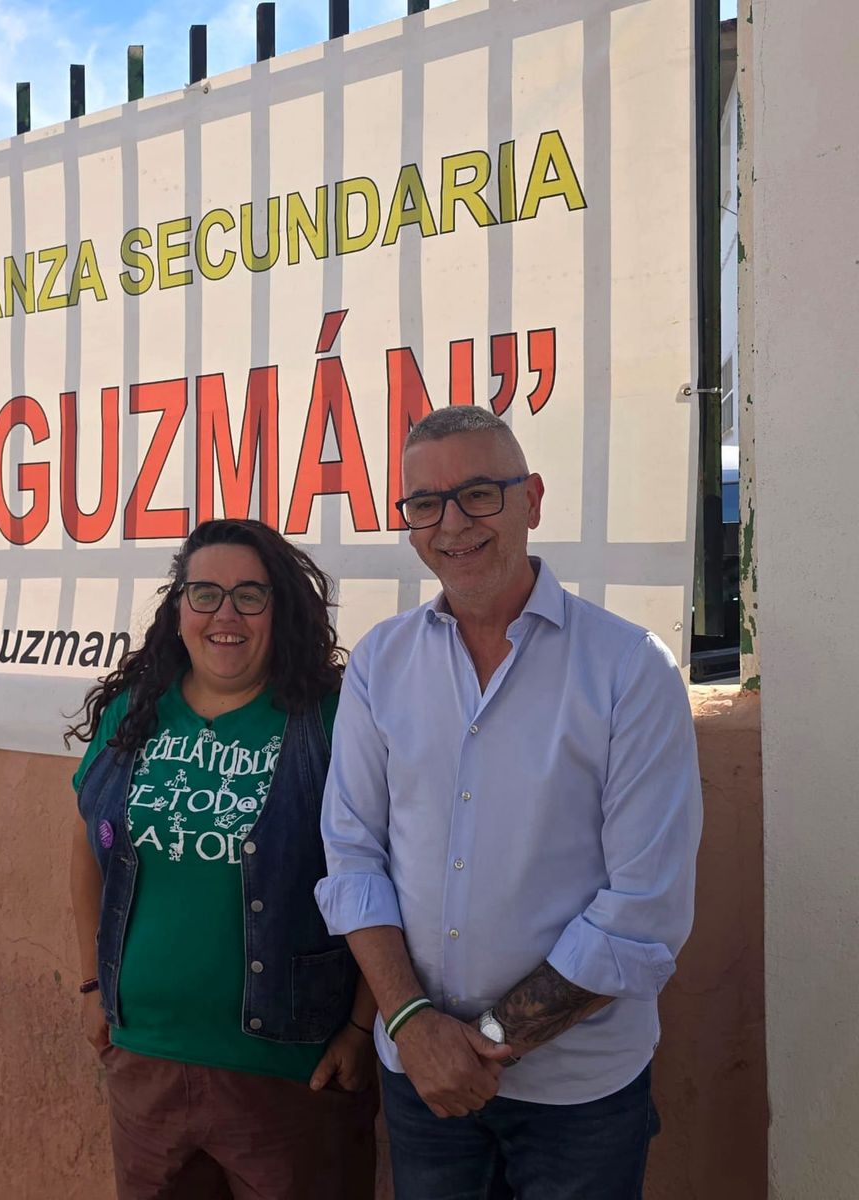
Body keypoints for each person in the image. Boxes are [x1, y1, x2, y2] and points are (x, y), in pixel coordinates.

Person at [317, 406, 703, 1198]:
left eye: (480, 494)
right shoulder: (380, 663)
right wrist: (414, 1027)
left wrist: (480, 1043)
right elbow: (353, 856)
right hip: (422, 1082)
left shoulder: (629, 669)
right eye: (425, 504)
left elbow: (642, 911)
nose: (452, 523)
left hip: (579, 1096)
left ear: (532, 497)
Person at [68, 518, 378, 1200]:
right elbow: (90, 846)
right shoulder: (134, 713)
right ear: (178, 609)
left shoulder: (330, 722)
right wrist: (94, 985)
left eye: (249, 595)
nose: (225, 615)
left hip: (289, 1072)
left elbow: (382, 876)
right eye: (204, 593)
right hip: (146, 1061)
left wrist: (362, 1027)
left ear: (282, 608)